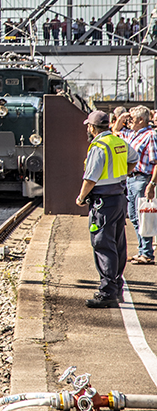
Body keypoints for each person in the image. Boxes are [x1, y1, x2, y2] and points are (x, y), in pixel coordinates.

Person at [75, 110, 136, 308]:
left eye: (88, 126)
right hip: (119, 198)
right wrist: (122, 175)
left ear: (92, 128)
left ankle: (107, 292)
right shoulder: (118, 142)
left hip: (103, 202)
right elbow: (133, 159)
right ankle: (116, 288)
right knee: (118, 244)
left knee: (103, 244)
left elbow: (90, 178)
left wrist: (81, 197)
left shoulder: (98, 146)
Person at [125, 106, 156, 265]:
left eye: (132, 118)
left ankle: (146, 253)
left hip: (142, 179)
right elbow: (116, 131)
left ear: (141, 120)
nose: (129, 121)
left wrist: (152, 184)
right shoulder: (133, 134)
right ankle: (142, 250)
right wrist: (125, 115)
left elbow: (156, 162)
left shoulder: (150, 136)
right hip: (131, 179)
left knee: (143, 217)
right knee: (134, 216)